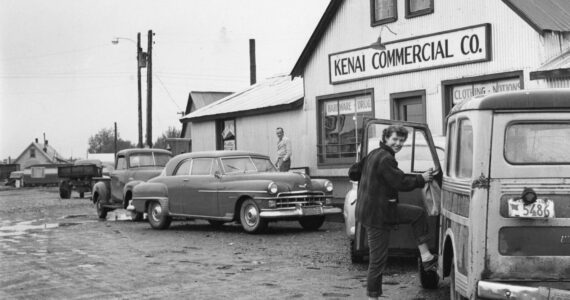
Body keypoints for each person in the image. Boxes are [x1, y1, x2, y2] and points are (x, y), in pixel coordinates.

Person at [355, 125, 437, 299]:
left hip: (379, 210)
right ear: (386, 139)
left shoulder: (374, 154)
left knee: (417, 214)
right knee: (377, 261)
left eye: (401, 140)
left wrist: (369, 174)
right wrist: (420, 178)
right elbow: (399, 181)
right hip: (378, 214)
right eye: (394, 139)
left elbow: (353, 172)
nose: (398, 143)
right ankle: (372, 296)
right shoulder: (385, 158)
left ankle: (426, 255)